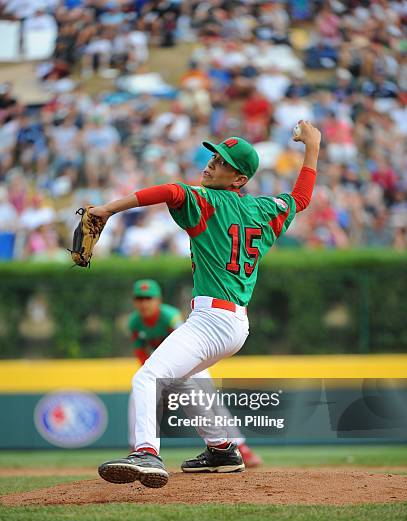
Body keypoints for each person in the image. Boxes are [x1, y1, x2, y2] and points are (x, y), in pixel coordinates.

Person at [93, 120, 321, 488]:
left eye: (223, 161)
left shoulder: (209, 200)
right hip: (235, 325)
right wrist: (313, 146)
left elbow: (170, 190)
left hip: (212, 320)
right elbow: (301, 199)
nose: (212, 162)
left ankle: (146, 452)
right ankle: (222, 450)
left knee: (148, 377)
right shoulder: (264, 210)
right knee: (183, 378)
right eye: (214, 155)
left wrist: (107, 209)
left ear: (239, 180)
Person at [128, 278, 262, 467]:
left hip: (190, 357)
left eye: (148, 298)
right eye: (140, 298)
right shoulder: (135, 322)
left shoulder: (170, 316)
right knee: (138, 393)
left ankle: (241, 448)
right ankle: (136, 447)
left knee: (211, 400)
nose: (144, 303)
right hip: (166, 367)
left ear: (158, 300)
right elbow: (142, 355)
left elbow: (190, 340)